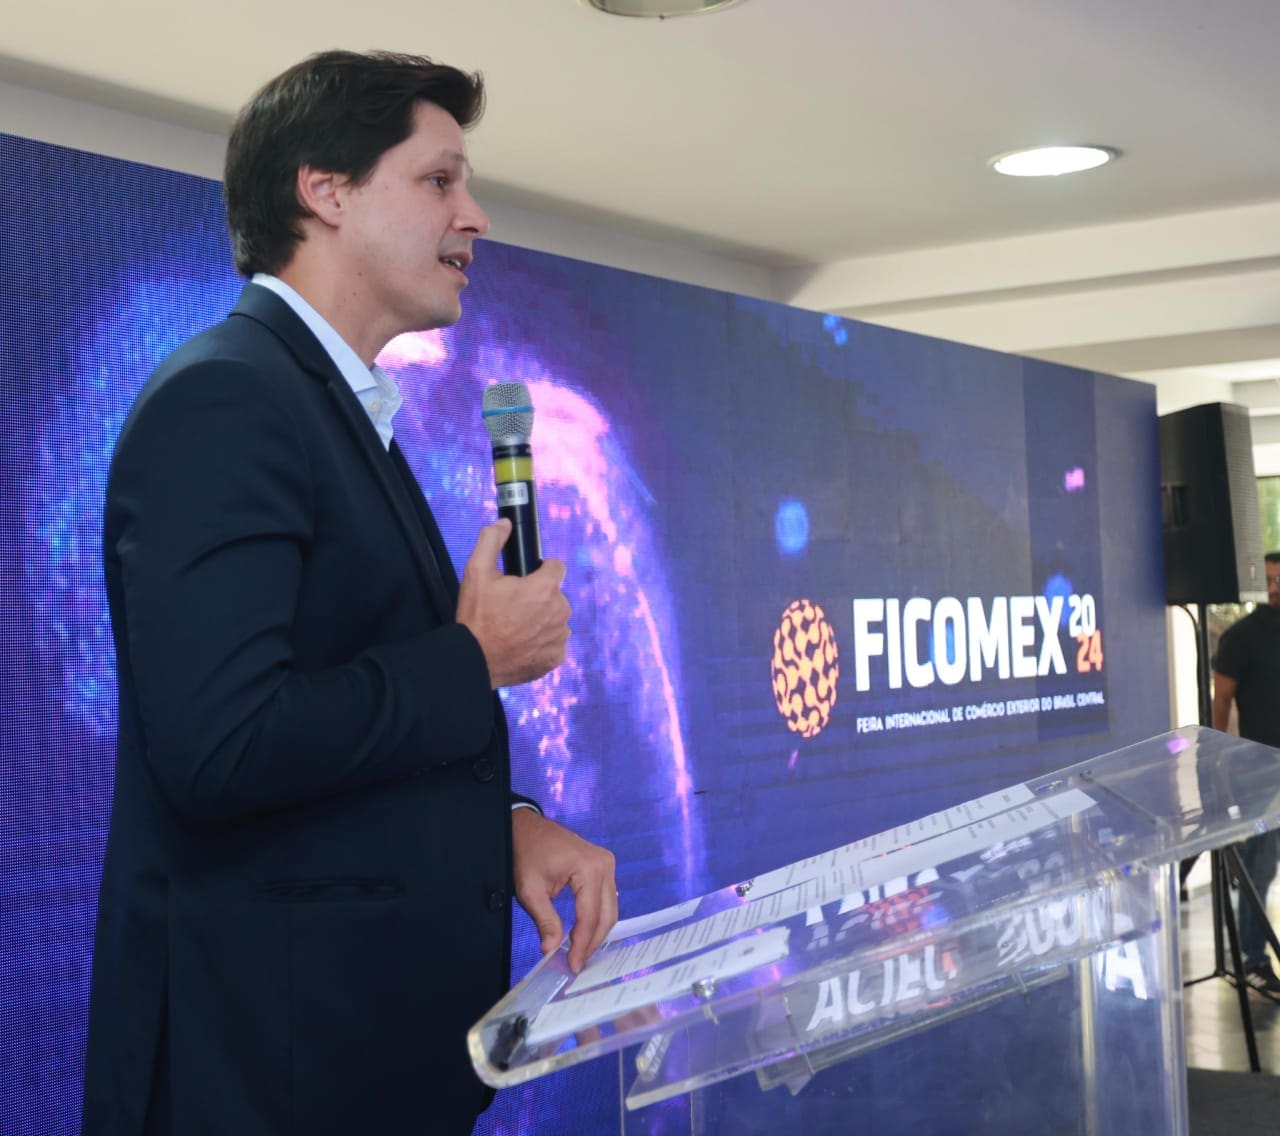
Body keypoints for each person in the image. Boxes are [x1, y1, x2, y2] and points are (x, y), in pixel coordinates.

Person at [81, 50, 617, 1136]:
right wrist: (473, 659)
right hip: (264, 1082)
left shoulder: (326, 403)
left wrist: (505, 823)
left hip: (350, 1068)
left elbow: (338, 713)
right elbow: (223, 745)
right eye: (438, 181)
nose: (474, 216)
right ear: (324, 192)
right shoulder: (227, 400)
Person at [1212, 551, 1280, 1000]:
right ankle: (1253, 960)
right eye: (1269, 580)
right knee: (1260, 866)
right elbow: (1221, 703)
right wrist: (1217, 761)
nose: (1274, 589)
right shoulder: (1242, 637)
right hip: (1263, 771)